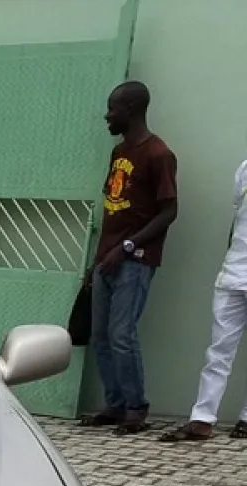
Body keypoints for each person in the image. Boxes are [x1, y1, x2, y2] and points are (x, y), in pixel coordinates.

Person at [82, 81, 179, 435]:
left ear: (132, 109)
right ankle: (116, 405)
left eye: (113, 108)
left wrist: (126, 248)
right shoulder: (119, 152)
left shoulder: (159, 155)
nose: (107, 115)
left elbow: (170, 211)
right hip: (108, 257)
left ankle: (136, 409)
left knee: (122, 333)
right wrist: (98, 259)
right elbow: (113, 209)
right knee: (101, 336)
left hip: (135, 259)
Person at [160, 157, 247, 442]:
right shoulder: (245, 168)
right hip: (233, 273)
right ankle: (202, 420)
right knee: (218, 352)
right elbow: (237, 219)